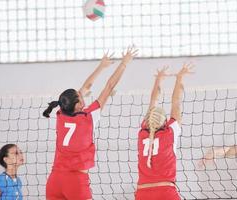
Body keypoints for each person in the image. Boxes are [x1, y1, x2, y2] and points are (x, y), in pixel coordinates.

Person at [43, 46, 138, 200]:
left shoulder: (60, 114)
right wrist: (124, 63)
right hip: (75, 182)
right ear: (78, 104)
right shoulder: (89, 116)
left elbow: (85, 88)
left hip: (54, 180)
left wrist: (101, 66)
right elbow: (109, 86)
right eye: (79, 96)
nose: (82, 95)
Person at [135, 64, 194, 200]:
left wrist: (158, 79)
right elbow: (176, 101)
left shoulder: (142, 132)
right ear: (165, 122)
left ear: (148, 120)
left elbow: (153, 101)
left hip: (142, 193)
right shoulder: (170, 132)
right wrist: (179, 78)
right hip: (165, 192)